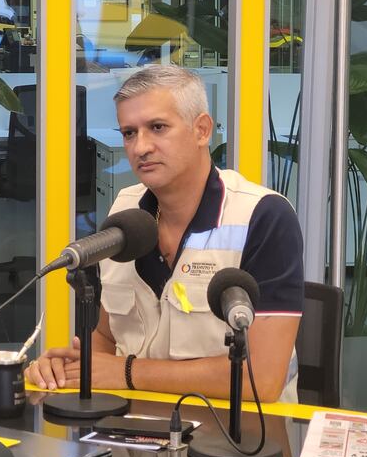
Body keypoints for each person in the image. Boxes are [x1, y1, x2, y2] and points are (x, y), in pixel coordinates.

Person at [25, 65, 304, 403]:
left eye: (157, 128)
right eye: (129, 133)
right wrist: (70, 369)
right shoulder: (125, 211)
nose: (140, 147)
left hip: (239, 428)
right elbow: (106, 337)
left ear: (202, 130)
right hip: (133, 424)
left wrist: (126, 372)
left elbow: (262, 379)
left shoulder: (263, 217)